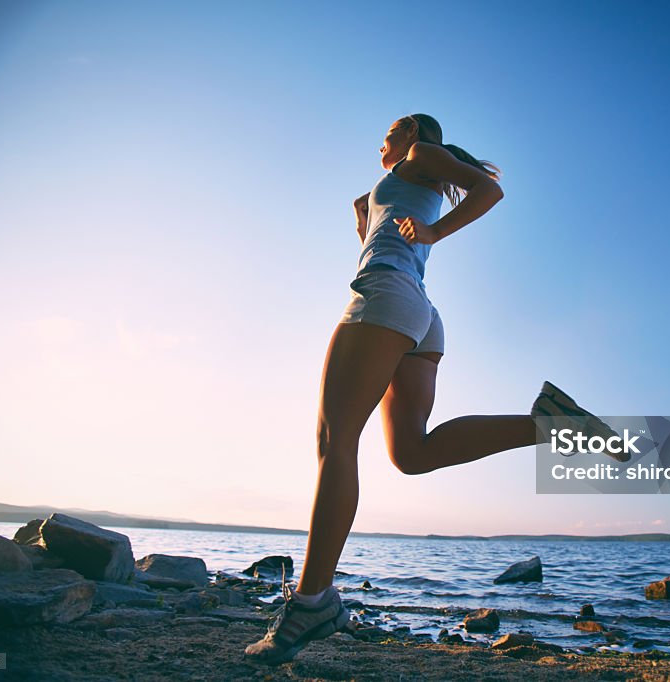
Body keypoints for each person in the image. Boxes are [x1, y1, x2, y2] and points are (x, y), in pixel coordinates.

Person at [244, 114, 622, 665]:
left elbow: (488, 189)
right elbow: (375, 211)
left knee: (335, 442)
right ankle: (548, 424)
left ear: (417, 135)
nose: (384, 136)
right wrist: (366, 213)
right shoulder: (402, 176)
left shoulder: (420, 156)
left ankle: (312, 602)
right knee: (411, 454)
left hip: (387, 295)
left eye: (394, 128)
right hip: (419, 312)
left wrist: (434, 231)